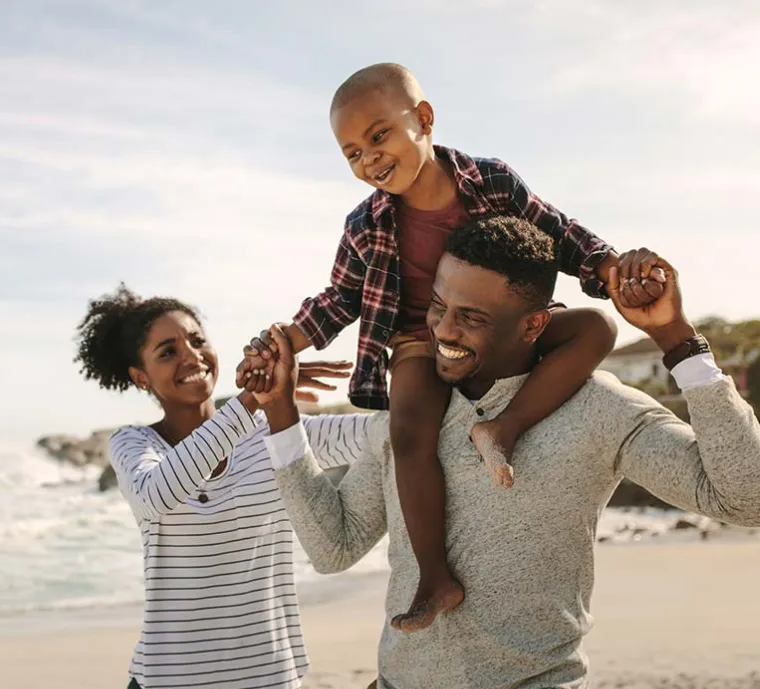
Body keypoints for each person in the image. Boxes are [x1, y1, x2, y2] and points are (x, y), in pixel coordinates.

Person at [254, 216, 760, 689]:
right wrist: (281, 419)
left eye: (471, 318)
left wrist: (676, 339)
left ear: (534, 325)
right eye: (438, 306)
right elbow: (334, 546)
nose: (443, 330)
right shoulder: (409, 416)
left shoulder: (598, 411)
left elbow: (745, 496)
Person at [237, 62, 664, 632]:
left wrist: (612, 269)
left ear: (423, 119)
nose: (369, 160)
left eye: (379, 136)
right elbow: (340, 297)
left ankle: (503, 428)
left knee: (596, 331)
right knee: (408, 429)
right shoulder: (365, 224)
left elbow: (560, 233)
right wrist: (284, 339)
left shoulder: (490, 181)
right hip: (419, 337)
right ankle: (435, 579)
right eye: (352, 154)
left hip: (500, 329)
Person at [74, 285, 369, 689]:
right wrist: (251, 402)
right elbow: (159, 493)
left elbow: (381, 435)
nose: (191, 356)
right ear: (140, 377)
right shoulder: (133, 445)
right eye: (168, 352)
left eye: (196, 340)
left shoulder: (276, 433)